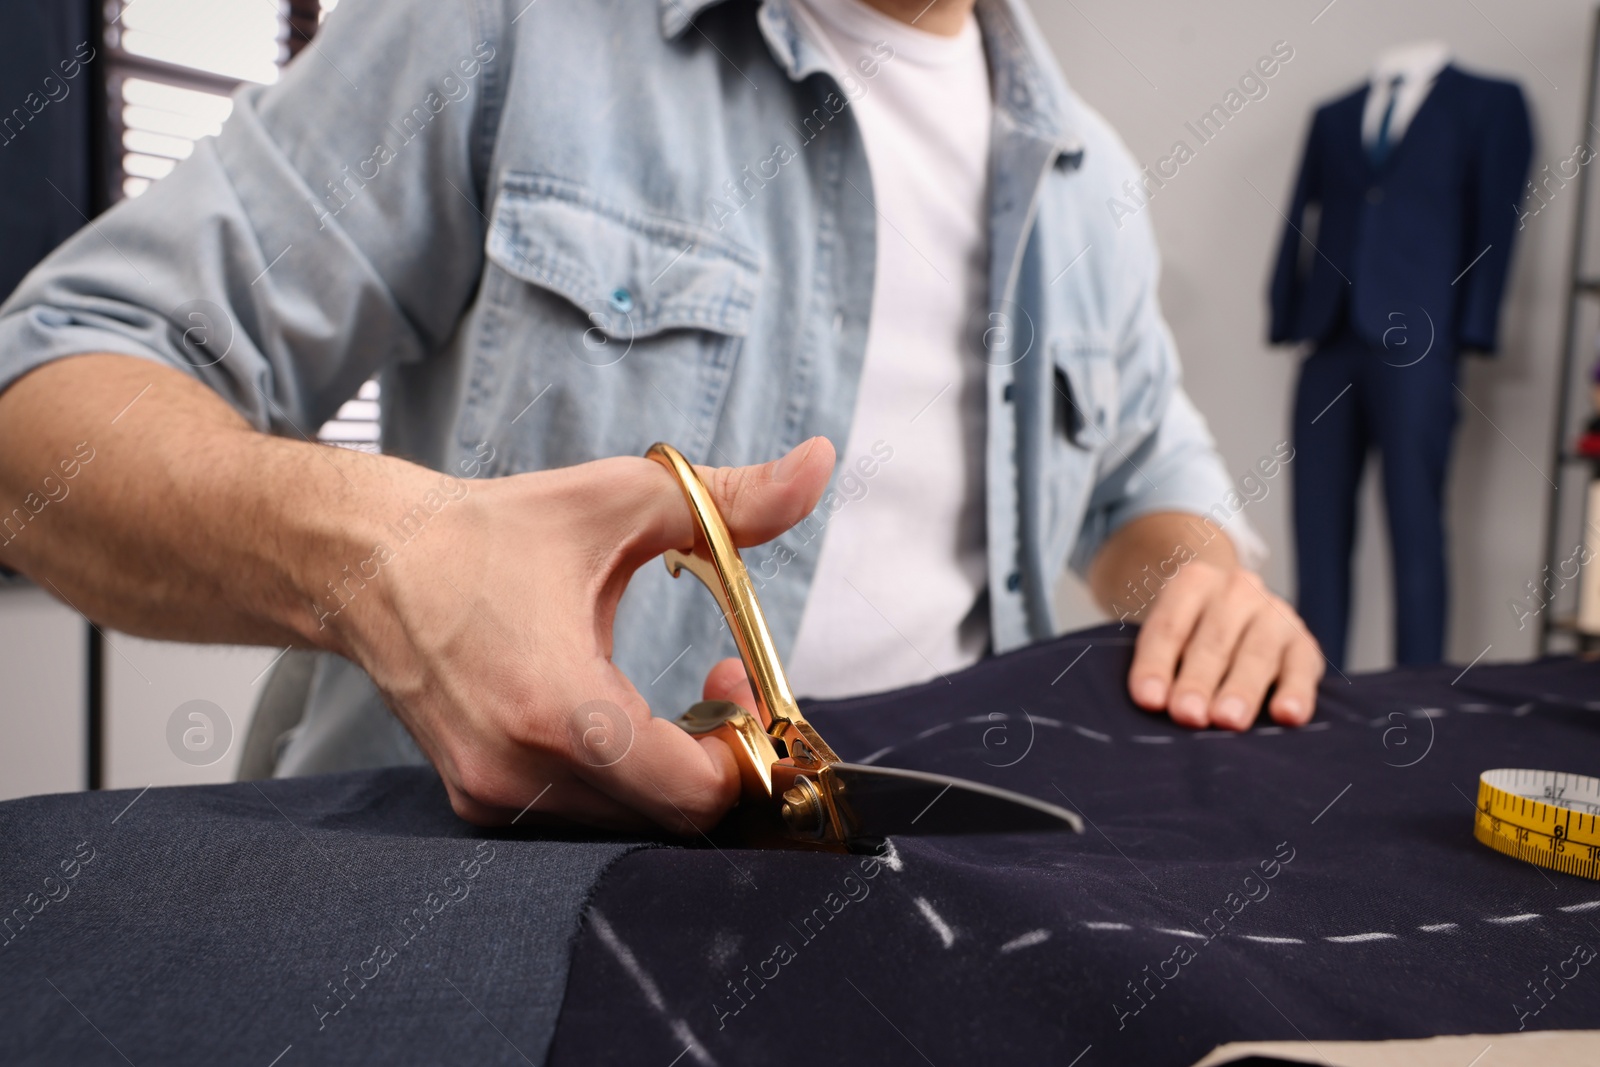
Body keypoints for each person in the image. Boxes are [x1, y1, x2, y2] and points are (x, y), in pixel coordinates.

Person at [0, 0, 1322, 832]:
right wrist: (383, 559)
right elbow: (43, 403)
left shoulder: (1093, 185)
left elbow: (1146, 478)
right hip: (462, 914)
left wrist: (1203, 583)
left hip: (924, 919)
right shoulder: (506, 26)